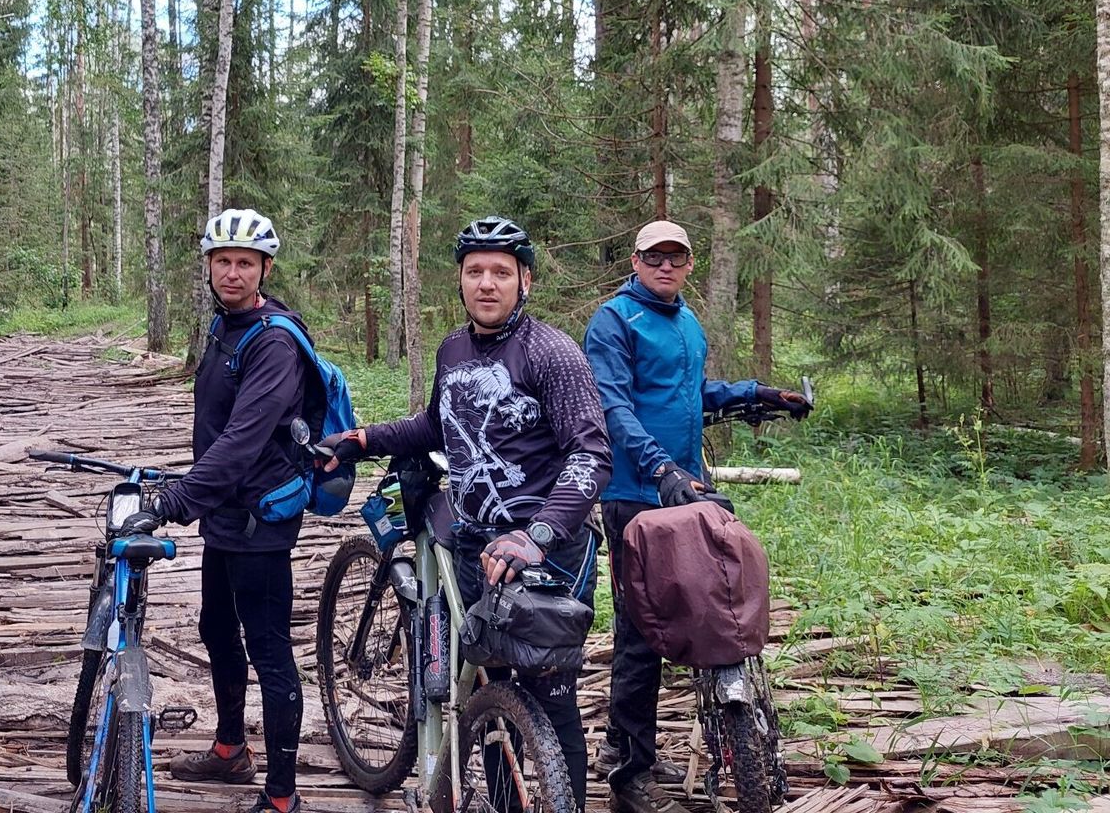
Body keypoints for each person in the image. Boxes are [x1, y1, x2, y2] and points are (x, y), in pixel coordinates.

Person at [321, 216, 611, 811]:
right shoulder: (452, 349)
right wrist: (362, 439)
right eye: (474, 271)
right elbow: (437, 424)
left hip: (549, 551)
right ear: (459, 280)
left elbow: (590, 453)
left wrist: (538, 534)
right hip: (477, 545)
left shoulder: (552, 354)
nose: (486, 283)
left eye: (501, 272)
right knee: (490, 686)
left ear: (525, 281)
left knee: (550, 698)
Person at [583, 219, 811, 813]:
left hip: (687, 487)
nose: (666, 265)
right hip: (635, 492)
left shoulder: (686, 322)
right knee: (639, 629)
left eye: (676, 257)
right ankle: (629, 770)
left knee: (709, 604)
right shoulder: (614, 321)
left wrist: (758, 395)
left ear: (688, 265)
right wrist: (660, 468)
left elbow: (690, 394)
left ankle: (649, 738)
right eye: (654, 256)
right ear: (635, 261)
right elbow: (613, 407)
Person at [126, 208, 311, 813]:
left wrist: (175, 501)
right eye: (223, 261)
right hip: (225, 514)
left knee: (269, 650)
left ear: (265, 270)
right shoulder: (224, 326)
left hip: (261, 521)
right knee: (216, 628)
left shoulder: (275, 342)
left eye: (245, 263)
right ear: (208, 266)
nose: (233, 272)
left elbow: (242, 440)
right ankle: (231, 749)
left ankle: (282, 796)